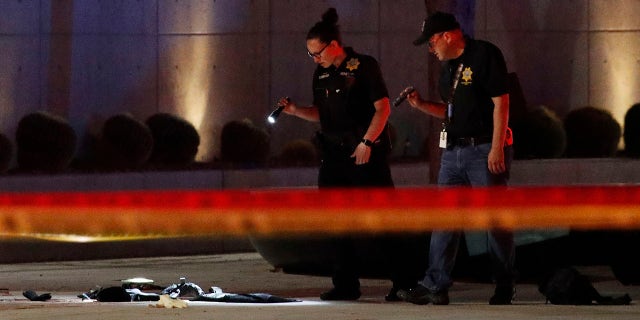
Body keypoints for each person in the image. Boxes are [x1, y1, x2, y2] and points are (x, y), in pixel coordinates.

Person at [277, 8, 412, 301]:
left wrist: (367, 142)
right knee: (336, 221)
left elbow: (383, 108)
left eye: (318, 52)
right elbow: (321, 115)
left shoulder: (363, 66)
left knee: (382, 219)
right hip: (333, 157)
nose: (315, 59)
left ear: (333, 44)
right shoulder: (321, 74)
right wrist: (296, 111)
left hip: (365, 155)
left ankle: (404, 282)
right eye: (311, 54)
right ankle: (345, 284)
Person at [397, 11, 516, 305]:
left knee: (495, 219)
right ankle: (436, 284)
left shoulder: (484, 54)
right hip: (452, 152)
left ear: (448, 36)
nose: (430, 48)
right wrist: (422, 105)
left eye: (432, 41)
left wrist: (497, 147)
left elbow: (501, 102)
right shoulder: (448, 69)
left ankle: (503, 284)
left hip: (483, 149)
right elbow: (450, 113)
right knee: (445, 218)